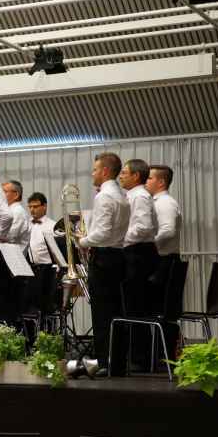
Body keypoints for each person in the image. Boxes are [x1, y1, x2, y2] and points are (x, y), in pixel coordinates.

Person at [77, 152, 130, 376]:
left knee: (102, 314)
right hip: (118, 256)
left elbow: (102, 234)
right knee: (115, 312)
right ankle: (116, 363)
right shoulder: (122, 195)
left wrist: (82, 240)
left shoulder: (104, 196)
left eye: (95, 169)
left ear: (105, 171)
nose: (92, 173)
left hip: (104, 258)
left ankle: (104, 362)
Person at [147, 164, 182, 361]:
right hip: (162, 262)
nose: (145, 181)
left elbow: (168, 230)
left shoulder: (165, 203)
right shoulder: (156, 202)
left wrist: (148, 245)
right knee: (158, 310)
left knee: (163, 312)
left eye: (149, 178)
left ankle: (163, 357)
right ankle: (157, 355)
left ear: (161, 182)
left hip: (164, 262)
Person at [120, 159, 159, 316]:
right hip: (136, 252)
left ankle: (137, 333)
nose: (120, 176)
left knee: (136, 306)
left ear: (136, 176)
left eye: (124, 173)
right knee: (131, 304)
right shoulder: (133, 195)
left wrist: (118, 239)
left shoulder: (140, 196)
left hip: (138, 254)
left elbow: (143, 227)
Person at [26, 192, 56, 265]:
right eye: (30, 207)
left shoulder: (53, 226)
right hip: (30, 267)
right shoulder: (26, 224)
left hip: (47, 267)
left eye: (35, 207)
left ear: (44, 206)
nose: (32, 210)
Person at [3, 180, 31, 252]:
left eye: (4, 192)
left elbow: (8, 236)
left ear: (16, 195)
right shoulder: (9, 210)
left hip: (13, 256)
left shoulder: (18, 212)